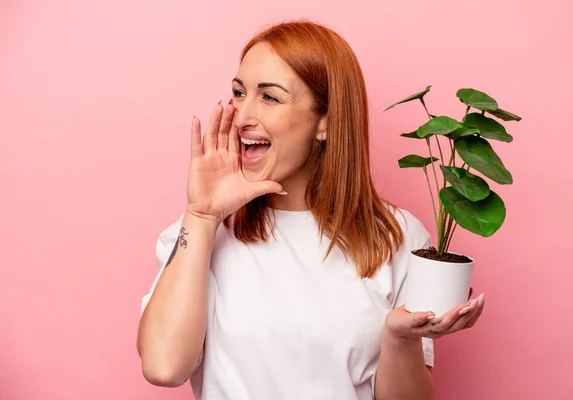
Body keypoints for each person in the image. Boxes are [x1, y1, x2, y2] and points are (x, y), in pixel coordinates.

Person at [136, 20, 485, 400]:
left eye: (269, 97)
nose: (242, 114)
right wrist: (202, 216)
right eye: (239, 92)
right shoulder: (199, 232)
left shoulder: (399, 237)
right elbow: (163, 367)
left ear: (326, 122)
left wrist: (400, 338)